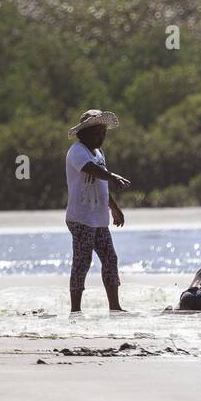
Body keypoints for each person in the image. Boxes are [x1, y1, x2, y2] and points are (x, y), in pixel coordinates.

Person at [65, 108, 130, 314]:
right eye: (96, 133)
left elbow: (101, 184)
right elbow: (92, 171)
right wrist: (112, 176)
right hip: (81, 217)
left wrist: (114, 208)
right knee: (83, 262)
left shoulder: (99, 153)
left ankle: (115, 307)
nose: (101, 137)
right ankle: (75, 310)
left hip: (98, 218)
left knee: (110, 258)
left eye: (103, 133)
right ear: (83, 133)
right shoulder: (77, 151)